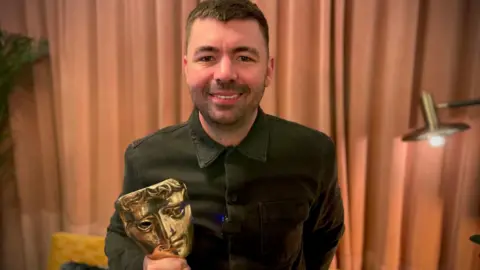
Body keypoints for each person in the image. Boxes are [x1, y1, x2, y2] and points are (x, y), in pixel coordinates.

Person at [104, 0, 345, 269]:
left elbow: (324, 236)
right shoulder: (145, 157)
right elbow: (120, 237)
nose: (225, 73)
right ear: (186, 67)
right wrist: (145, 266)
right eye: (207, 57)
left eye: (244, 57)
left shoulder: (314, 153)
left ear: (268, 70)